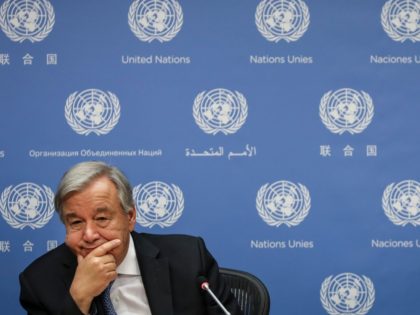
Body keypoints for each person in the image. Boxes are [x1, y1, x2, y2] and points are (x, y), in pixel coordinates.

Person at [19, 161, 242, 315]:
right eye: (76, 222)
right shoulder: (40, 281)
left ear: (130, 216)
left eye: (102, 218)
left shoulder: (189, 258)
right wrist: (78, 298)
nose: (89, 235)